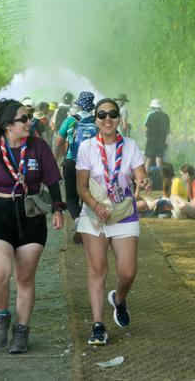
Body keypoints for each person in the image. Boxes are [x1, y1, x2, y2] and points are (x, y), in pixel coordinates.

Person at [0, 100, 65, 354]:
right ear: (7, 125)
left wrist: (58, 208)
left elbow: (53, 180)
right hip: (0, 216)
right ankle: (1, 318)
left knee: (25, 277)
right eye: (24, 119)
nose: (29, 122)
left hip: (31, 215)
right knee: (0, 273)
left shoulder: (39, 147)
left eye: (30, 117)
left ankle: (22, 330)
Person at [75, 98, 152, 346]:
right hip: (94, 213)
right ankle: (98, 325)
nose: (107, 119)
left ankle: (118, 299)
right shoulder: (87, 147)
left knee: (127, 271)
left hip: (122, 212)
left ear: (119, 118)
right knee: (98, 269)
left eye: (112, 114)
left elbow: (140, 174)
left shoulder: (130, 146)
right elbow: (81, 186)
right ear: (95, 119)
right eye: (102, 115)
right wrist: (96, 206)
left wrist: (144, 181)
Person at [54, 92, 97, 242]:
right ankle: (87, 225)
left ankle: (79, 222)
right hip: (91, 164)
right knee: (87, 195)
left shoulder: (70, 120)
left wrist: (62, 154)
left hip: (72, 161)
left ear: (78, 105)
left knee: (71, 197)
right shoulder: (97, 121)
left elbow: (58, 142)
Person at [144, 99, 170, 173]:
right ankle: (160, 179)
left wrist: (147, 135)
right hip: (161, 141)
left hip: (151, 141)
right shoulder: (166, 116)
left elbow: (146, 129)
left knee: (148, 160)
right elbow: (168, 131)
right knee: (159, 160)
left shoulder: (151, 115)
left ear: (153, 107)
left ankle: (146, 178)